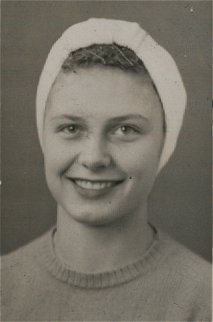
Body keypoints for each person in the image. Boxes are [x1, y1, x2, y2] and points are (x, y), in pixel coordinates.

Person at [2, 18, 211, 321]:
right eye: (71, 127)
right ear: (43, 134)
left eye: (125, 129)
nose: (94, 157)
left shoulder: (204, 300)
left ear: (165, 142)